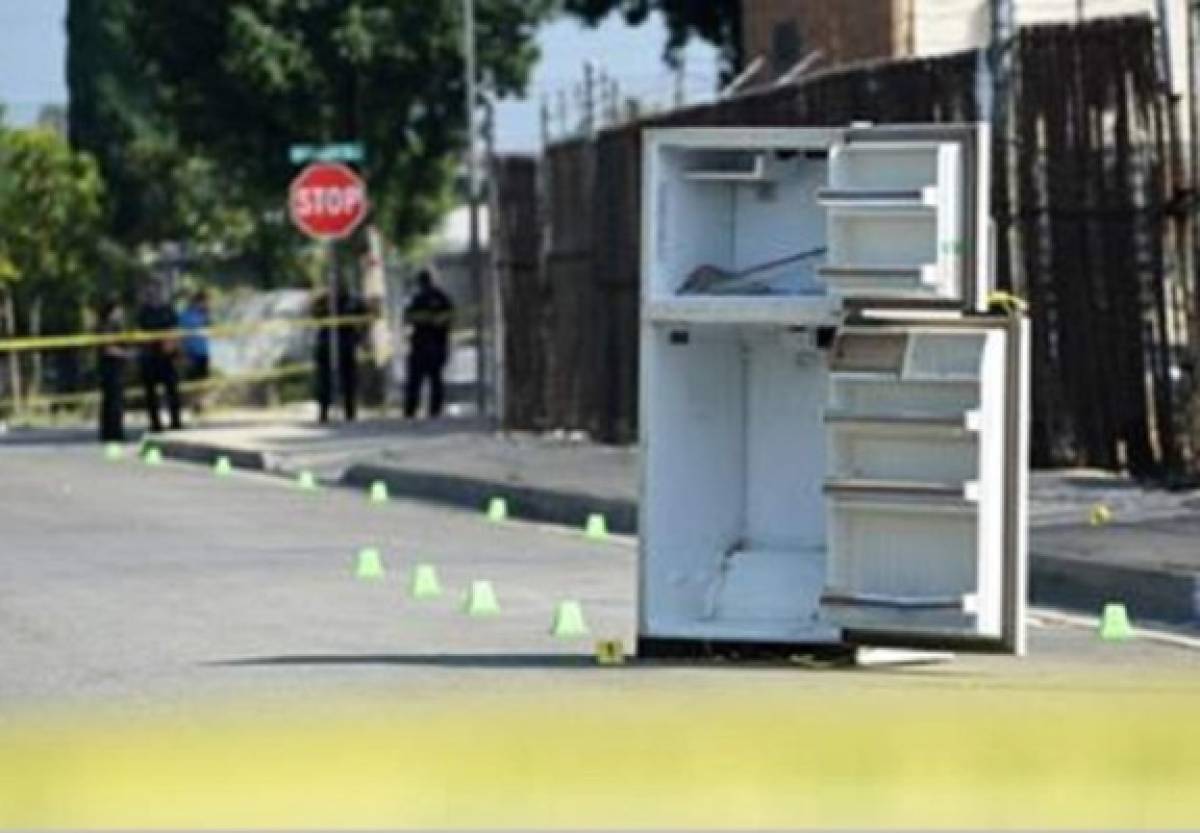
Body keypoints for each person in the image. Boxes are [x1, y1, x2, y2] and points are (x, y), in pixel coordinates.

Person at [404, 270, 454, 419]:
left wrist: (427, 321)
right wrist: (435, 321)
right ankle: (434, 411)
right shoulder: (441, 297)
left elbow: (408, 318)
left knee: (416, 381)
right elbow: (449, 317)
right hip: (435, 344)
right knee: (434, 379)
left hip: (422, 344)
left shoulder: (417, 298)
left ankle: (411, 411)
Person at [313, 286, 365, 423]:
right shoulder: (324, 301)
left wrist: (359, 337)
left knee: (346, 380)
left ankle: (348, 412)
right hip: (330, 344)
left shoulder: (352, 302)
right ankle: (326, 412)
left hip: (342, 343)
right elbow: (314, 314)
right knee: (327, 380)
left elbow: (365, 318)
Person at [137, 281, 183, 432]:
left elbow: (176, 329)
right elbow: (140, 333)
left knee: (172, 390)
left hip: (167, 355)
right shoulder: (143, 312)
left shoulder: (168, 310)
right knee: (151, 392)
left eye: (156, 292)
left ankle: (176, 421)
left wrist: (172, 344)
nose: (153, 295)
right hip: (149, 356)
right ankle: (155, 423)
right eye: (150, 293)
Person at [97, 296, 130, 442]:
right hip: (110, 367)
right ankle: (114, 433)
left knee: (113, 401)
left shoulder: (116, 326)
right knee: (114, 401)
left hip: (115, 367)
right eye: (119, 310)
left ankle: (111, 432)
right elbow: (108, 348)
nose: (121, 313)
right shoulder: (107, 327)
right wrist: (127, 355)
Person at [179, 290, 211, 381]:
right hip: (191, 352)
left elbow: (208, 330)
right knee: (192, 378)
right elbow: (181, 334)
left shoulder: (205, 314)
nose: (207, 304)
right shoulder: (186, 314)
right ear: (199, 301)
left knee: (203, 378)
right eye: (206, 301)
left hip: (203, 351)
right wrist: (184, 352)